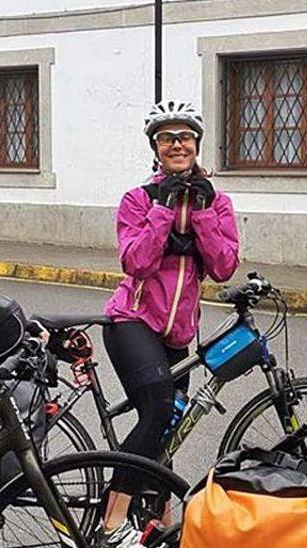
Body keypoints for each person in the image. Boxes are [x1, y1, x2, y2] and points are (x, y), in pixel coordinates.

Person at [98, 100, 240, 546]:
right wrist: (162, 210)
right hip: (131, 321)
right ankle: (111, 522)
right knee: (158, 409)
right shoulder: (137, 199)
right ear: (155, 148)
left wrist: (198, 211)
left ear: (196, 144)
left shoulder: (216, 202)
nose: (177, 145)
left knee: (171, 426)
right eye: (167, 138)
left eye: (184, 137)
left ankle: (154, 521)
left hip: (178, 334)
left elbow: (223, 267)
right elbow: (135, 263)